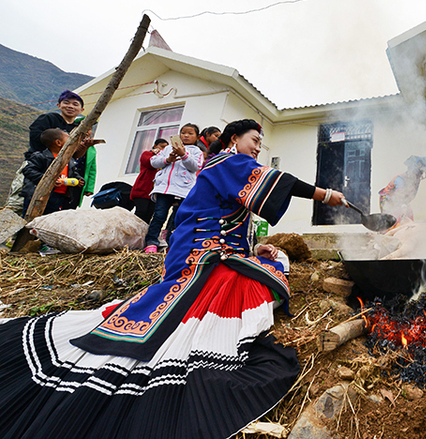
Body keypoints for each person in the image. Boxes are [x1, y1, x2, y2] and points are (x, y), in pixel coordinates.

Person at [0, 118, 347, 439]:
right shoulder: (227, 162)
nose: (258, 148)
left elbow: (231, 221)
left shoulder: (228, 168)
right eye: (254, 140)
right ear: (233, 140)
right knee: (239, 285)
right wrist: (326, 195)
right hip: (199, 248)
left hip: (210, 245)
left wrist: (256, 250)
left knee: (263, 267)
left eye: (260, 143)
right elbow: (278, 182)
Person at [6, 90, 94, 215]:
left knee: (51, 211)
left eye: (75, 104)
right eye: (66, 103)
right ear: (59, 105)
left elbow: (73, 155)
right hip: (38, 165)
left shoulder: (79, 129)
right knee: (18, 205)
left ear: (81, 109)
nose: (70, 106)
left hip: (62, 173)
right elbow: (36, 139)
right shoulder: (48, 118)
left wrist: (83, 146)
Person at [143, 123, 203, 252]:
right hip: (164, 189)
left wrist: (184, 155)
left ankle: (171, 244)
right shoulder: (168, 148)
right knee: (159, 216)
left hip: (183, 191)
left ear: (197, 137)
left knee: (177, 219)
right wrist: (168, 159)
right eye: (183, 132)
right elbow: (153, 162)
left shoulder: (196, 151)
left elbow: (196, 166)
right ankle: (151, 242)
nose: (186, 135)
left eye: (190, 133)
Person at [20, 128, 83, 216]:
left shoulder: (69, 158)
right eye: (69, 139)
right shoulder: (41, 157)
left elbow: (72, 172)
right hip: (40, 196)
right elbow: (28, 170)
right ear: (58, 143)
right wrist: (48, 180)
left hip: (60, 196)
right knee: (32, 219)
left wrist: (78, 179)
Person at [378, 155, 426, 223]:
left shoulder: (416, 181)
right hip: (389, 201)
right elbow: (399, 194)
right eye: (419, 172)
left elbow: (410, 196)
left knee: (409, 215)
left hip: (403, 202)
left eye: (421, 173)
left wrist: (405, 205)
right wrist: (403, 206)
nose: (420, 174)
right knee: (392, 219)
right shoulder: (400, 179)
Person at [130, 138, 169, 222]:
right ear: (155, 146)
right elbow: (150, 163)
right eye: (162, 146)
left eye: (165, 148)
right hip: (142, 189)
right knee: (140, 213)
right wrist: (157, 156)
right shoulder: (147, 154)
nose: (163, 149)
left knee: (149, 215)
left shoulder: (164, 159)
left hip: (154, 191)